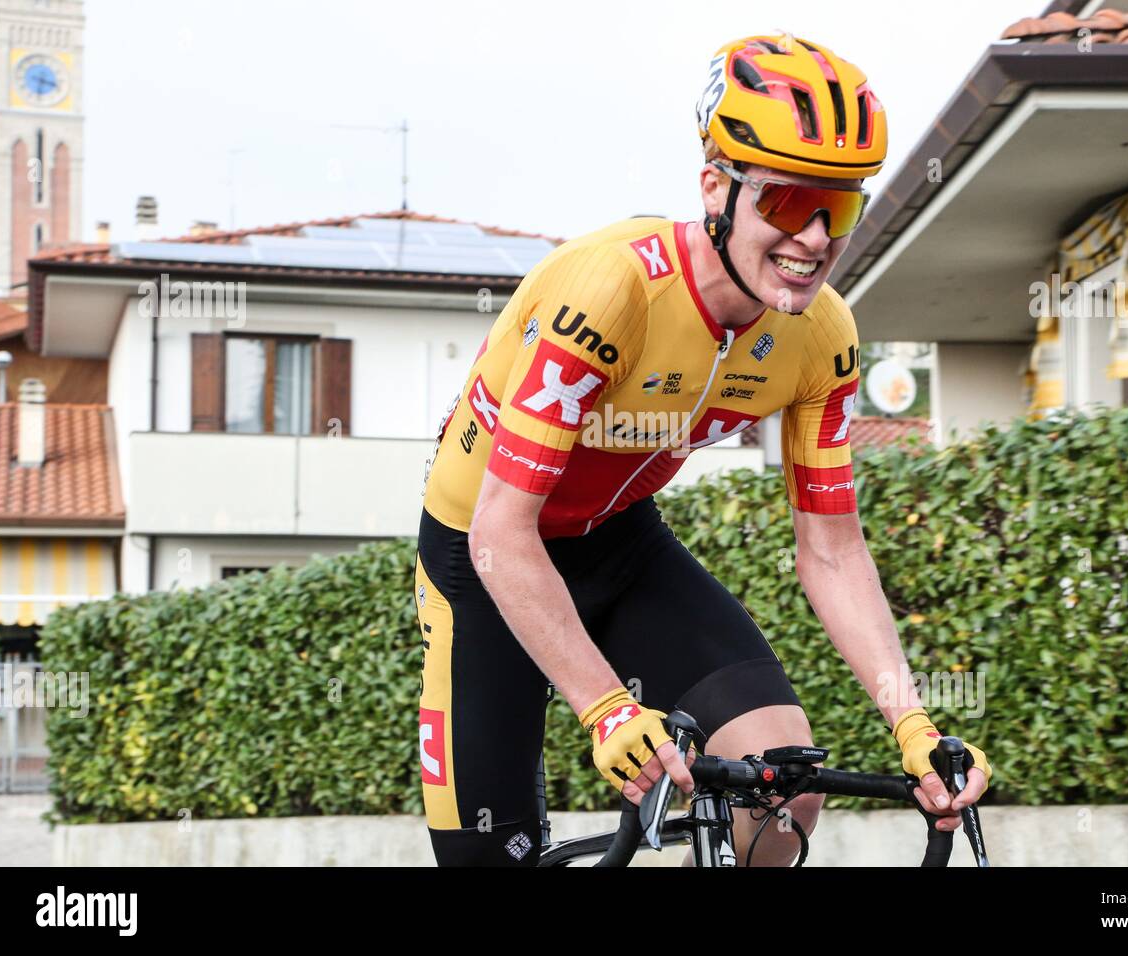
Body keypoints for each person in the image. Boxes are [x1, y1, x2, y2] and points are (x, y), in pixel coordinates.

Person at [415, 32, 991, 867]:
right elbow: (503, 532)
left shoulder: (821, 334)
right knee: (486, 859)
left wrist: (913, 723)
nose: (816, 239)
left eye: (843, 208)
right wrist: (607, 709)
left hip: (619, 543)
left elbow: (830, 550)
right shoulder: (611, 293)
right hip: (485, 555)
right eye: (790, 204)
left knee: (783, 788)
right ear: (715, 188)